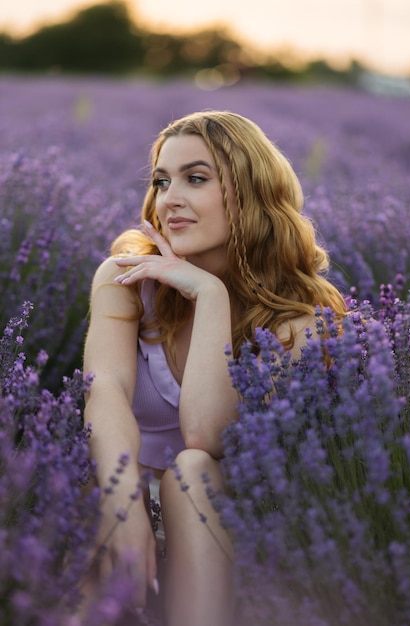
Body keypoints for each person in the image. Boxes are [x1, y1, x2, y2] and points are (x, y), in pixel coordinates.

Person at [82, 110, 346, 626]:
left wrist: (210, 294)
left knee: (193, 469)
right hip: (123, 494)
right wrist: (119, 503)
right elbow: (105, 389)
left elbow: (206, 435)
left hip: (220, 522)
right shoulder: (126, 277)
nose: (169, 198)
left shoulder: (298, 324)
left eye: (195, 179)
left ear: (248, 195)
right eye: (161, 181)